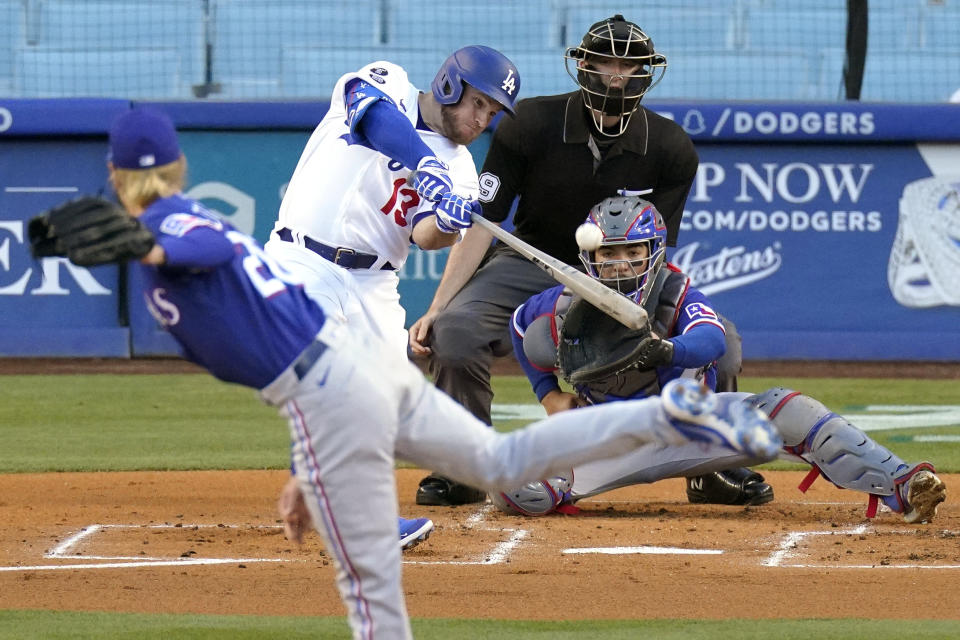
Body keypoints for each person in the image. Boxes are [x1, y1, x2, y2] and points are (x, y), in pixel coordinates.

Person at [48, 107, 784, 640]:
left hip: (327, 393)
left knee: (367, 580)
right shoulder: (180, 224)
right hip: (353, 376)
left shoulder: (177, 230)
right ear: (176, 166)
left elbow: (200, 246)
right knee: (496, 461)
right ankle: (666, 418)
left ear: (117, 174)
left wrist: (150, 250)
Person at [408, 14, 759, 507]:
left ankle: (713, 467)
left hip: (624, 274)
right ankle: (464, 467)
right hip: (530, 260)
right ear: (583, 66)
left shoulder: (671, 148)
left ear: (645, 75)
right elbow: (479, 225)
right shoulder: (529, 123)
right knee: (455, 332)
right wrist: (439, 305)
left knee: (720, 339)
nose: (616, 76)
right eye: (605, 63)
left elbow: (656, 248)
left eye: (629, 66)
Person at [494, 195, 946, 525]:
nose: (621, 265)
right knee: (516, 488)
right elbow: (518, 326)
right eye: (609, 254)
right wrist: (549, 395)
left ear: (654, 253)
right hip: (607, 437)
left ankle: (902, 484)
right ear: (590, 258)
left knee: (794, 411)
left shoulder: (674, 290)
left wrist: (667, 350)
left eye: (633, 253)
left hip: (697, 427)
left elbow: (711, 339)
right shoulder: (563, 302)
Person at [262, 45, 521, 542]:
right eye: (478, 103)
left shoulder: (463, 170)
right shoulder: (389, 84)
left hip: (373, 282)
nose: (481, 120)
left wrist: (448, 219)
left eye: (491, 113)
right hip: (301, 259)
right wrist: (427, 168)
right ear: (450, 84)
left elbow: (426, 235)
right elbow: (372, 115)